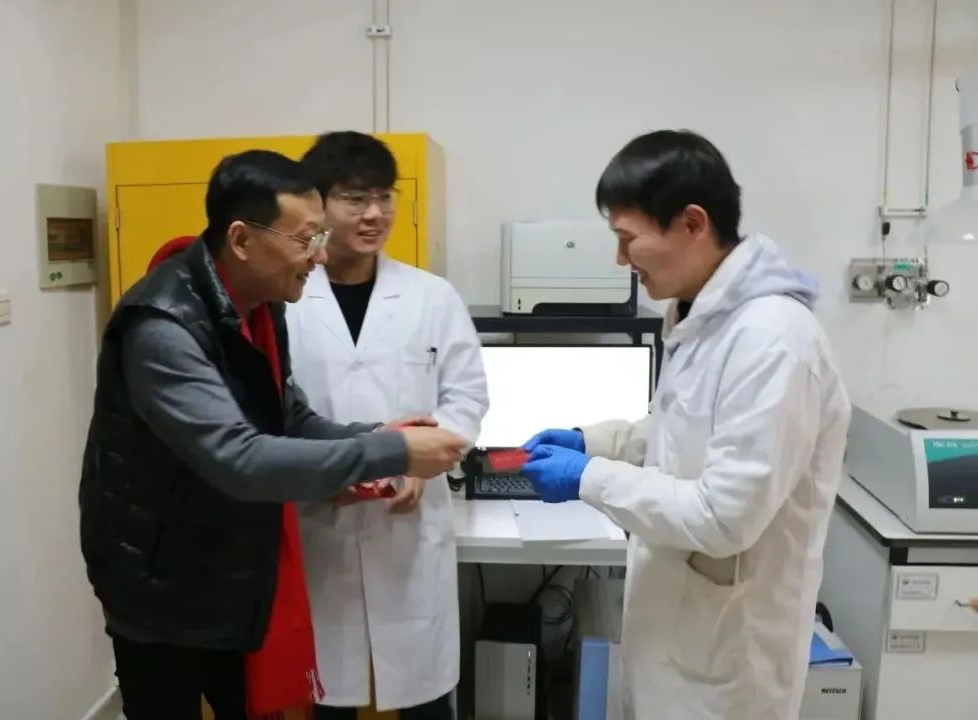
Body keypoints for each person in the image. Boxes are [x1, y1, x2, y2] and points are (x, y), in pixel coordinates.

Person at [78, 149, 467, 720]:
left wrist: (376, 433)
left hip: (233, 569)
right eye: (306, 239)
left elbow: (290, 419)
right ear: (241, 239)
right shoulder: (163, 327)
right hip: (160, 586)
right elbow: (240, 458)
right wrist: (393, 450)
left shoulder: (259, 307)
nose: (320, 255)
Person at [520, 130, 851, 720]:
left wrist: (588, 477)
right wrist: (593, 442)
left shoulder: (773, 341)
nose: (621, 260)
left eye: (628, 239)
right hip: (676, 637)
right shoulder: (702, 319)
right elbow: (678, 431)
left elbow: (724, 517)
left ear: (693, 223)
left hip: (728, 667)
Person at [285, 131, 488, 720]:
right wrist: (327, 470)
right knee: (328, 696)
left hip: (410, 526)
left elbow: (467, 397)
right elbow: (271, 413)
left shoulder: (432, 297)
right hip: (320, 523)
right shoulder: (286, 300)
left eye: (384, 196)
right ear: (318, 204)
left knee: (426, 700)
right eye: (354, 198)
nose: (374, 213)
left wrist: (422, 464)